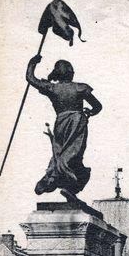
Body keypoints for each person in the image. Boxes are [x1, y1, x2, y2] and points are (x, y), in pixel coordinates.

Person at [26, 54, 102, 196]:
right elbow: (98, 106)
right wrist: (89, 112)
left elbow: (31, 79)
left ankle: (52, 178)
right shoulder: (81, 88)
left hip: (60, 123)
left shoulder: (52, 88)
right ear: (71, 73)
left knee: (60, 152)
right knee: (74, 155)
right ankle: (69, 184)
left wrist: (32, 64)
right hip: (77, 123)